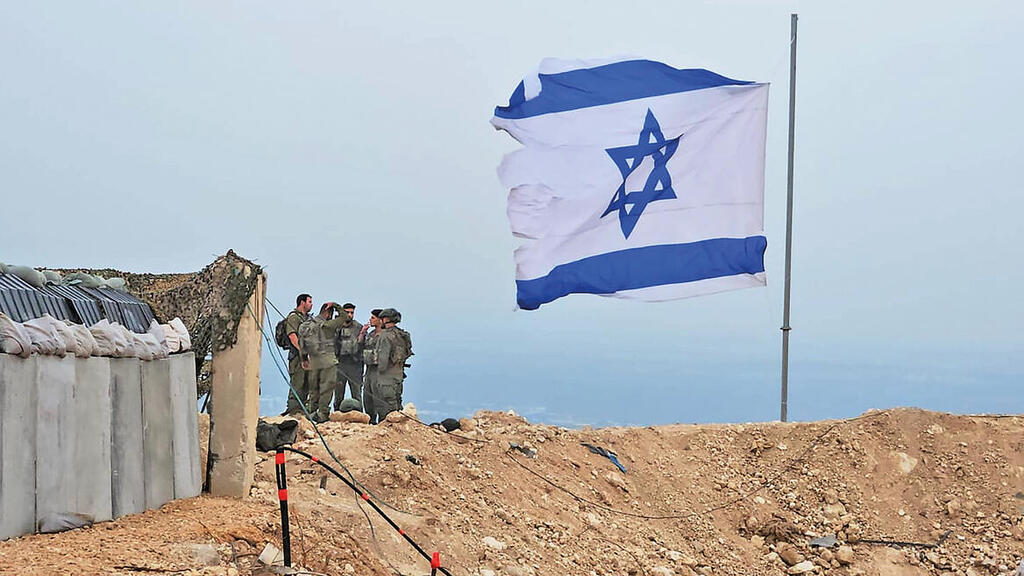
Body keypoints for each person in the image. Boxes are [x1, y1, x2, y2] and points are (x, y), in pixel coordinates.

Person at [305, 302, 356, 423]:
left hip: (313, 360)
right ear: (328, 313)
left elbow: (303, 341)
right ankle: (322, 413)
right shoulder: (329, 325)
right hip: (327, 360)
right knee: (326, 388)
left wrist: (304, 358)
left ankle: (311, 412)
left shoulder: (309, 324)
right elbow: (344, 317)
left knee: (314, 388)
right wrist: (336, 305)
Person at [369, 308, 413, 423]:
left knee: (384, 408)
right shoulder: (402, 334)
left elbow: (382, 362)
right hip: (398, 376)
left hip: (386, 379)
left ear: (386, 319)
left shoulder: (385, 336)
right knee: (397, 404)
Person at [283, 293, 313, 416]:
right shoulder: (294, 317)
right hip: (297, 357)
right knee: (297, 384)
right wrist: (302, 351)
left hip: (308, 357)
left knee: (307, 384)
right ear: (302, 302)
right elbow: (292, 336)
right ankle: (293, 411)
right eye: (309, 302)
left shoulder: (308, 319)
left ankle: (303, 412)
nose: (311, 304)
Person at [333, 303, 364, 412]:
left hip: (354, 364)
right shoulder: (336, 326)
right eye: (347, 312)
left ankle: (359, 415)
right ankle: (336, 414)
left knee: (357, 393)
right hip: (340, 363)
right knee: (338, 393)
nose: (350, 315)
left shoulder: (358, 327)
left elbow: (363, 346)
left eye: (352, 313)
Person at [360, 309, 383, 423]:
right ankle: (371, 420)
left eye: (373, 318)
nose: (370, 320)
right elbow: (361, 345)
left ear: (380, 320)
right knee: (367, 397)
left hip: (379, 370)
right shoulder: (371, 334)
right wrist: (362, 333)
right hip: (369, 369)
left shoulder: (385, 335)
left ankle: (382, 421)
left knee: (378, 397)